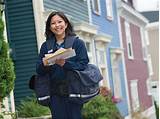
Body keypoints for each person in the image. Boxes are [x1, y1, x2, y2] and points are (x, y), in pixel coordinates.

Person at [36, 11, 89, 119]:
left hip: (74, 91)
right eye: (53, 23)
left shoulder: (77, 43)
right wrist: (45, 63)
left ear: (66, 24)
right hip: (55, 94)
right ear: (50, 27)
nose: (57, 25)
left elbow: (83, 65)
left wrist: (65, 64)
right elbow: (39, 70)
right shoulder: (46, 46)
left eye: (60, 22)